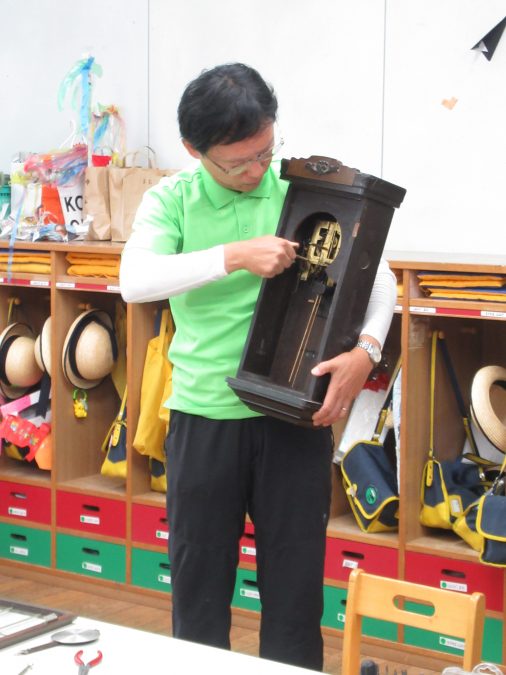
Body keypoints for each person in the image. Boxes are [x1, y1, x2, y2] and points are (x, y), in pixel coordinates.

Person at [120, 62, 396, 671]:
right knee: (198, 596)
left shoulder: (304, 190)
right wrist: (234, 255)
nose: (255, 170)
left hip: (295, 419)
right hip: (204, 417)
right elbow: (134, 281)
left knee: (296, 599)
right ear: (194, 150)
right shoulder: (173, 199)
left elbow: (381, 280)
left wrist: (366, 352)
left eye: (265, 152)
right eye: (237, 162)